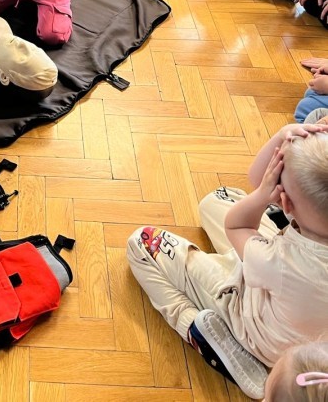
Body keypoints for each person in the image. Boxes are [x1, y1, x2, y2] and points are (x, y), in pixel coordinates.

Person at [127, 122, 328, 399]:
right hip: (308, 338)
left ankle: (199, 330)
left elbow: (237, 224)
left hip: (256, 328)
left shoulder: (281, 262)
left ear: (286, 203)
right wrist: (286, 139)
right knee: (218, 199)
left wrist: (263, 191)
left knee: (141, 243)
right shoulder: (291, 250)